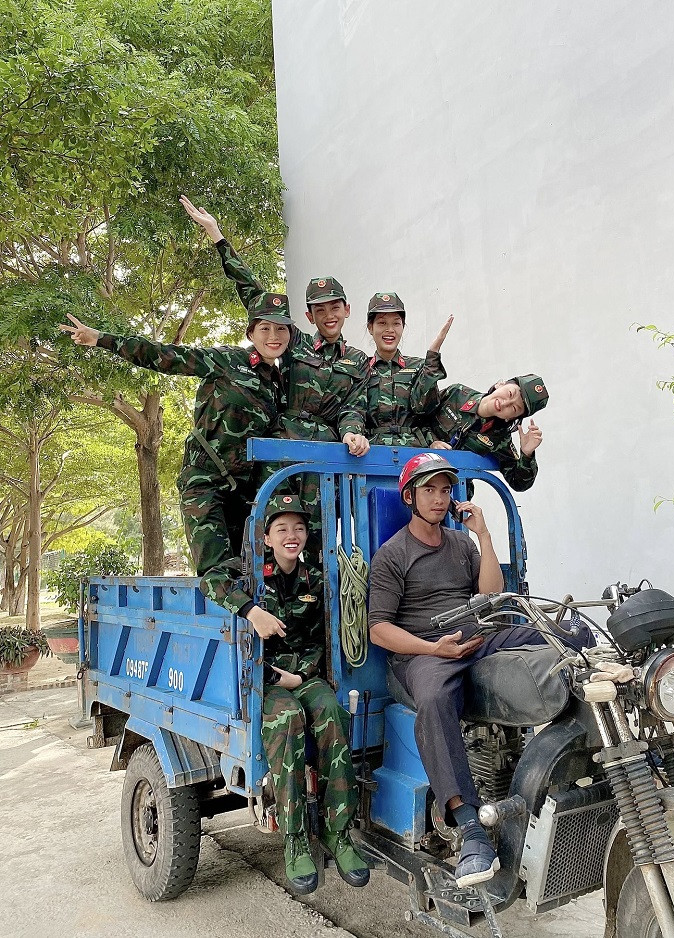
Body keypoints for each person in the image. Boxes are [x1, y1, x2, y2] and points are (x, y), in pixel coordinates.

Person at [368, 453, 589, 889]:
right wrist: (435, 647)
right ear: (409, 496)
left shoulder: (462, 544)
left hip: (476, 634)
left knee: (565, 637)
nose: (438, 498)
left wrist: (484, 535)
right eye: (428, 489)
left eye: (445, 490)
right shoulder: (392, 555)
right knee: (433, 699)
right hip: (424, 651)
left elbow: (492, 594)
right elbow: (378, 630)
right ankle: (469, 827)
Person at [58, 295, 292, 630]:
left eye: (281, 328)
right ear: (251, 333)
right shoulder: (225, 361)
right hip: (206, 482)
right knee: (216, 565)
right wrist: (100, 339)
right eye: (265, 327)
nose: (274, 335)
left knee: (258, 565)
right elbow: (162, 356)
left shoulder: (282, 382)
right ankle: (252, 616)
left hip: (248, 490)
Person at [180, 197, 370, 558]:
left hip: (321, 458)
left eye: (335, 307)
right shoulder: (294, 343)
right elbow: (253, 294)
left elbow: (355, 406)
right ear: (309, 316)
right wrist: (218, 237)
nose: (328, 315)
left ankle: (314, 607)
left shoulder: (359, 361)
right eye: (319, 310)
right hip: (279, 451)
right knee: (268, 531)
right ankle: (263, 605)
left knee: (317, 540)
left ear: (347, 310)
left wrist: (352, 431)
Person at [242, 494, 369, 895]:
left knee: (332, 711)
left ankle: (338, 832)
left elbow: (321, 639)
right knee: (288, 719)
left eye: (298, 528)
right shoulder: (251, 580)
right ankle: (295, 838)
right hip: (262, 680)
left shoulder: (316, 575)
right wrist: (250, 610)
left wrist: (300, 676)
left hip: (302, 675)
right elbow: (238, 639)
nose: (291, 536)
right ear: (266, 538)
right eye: (282, 529)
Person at [429, 375, 548, 491]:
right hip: (416, 472)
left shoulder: (499, 438)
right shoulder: (457, 394)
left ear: (510, 418)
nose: (505, 403)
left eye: (514, 408)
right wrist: (430, 445)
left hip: (453, 493)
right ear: (500, 384)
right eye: (510, 394)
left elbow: (518, 483)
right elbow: (416, 417)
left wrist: (527, 454)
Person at [364, 291, 452, 446]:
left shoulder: (418, 367)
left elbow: (428, 413)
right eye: (382, 323)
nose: (390, 329)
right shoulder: (361, 368)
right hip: (371, 454)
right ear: (370, 328)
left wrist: (433, 442)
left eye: (396, 323)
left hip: (413, 452)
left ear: (403, 327)